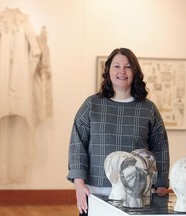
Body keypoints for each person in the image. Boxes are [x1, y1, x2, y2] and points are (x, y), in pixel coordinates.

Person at [67, 48, 170, 215]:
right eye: (116, 66)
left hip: (137, 195)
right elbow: (77, 145)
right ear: (108, 71)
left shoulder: (148, 109)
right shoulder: (92, 105)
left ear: (135, 72)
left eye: (128, 66)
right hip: (96, 193)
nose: (122, 71)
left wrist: (161, 184)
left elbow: (160, 148)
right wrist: (79, 185)